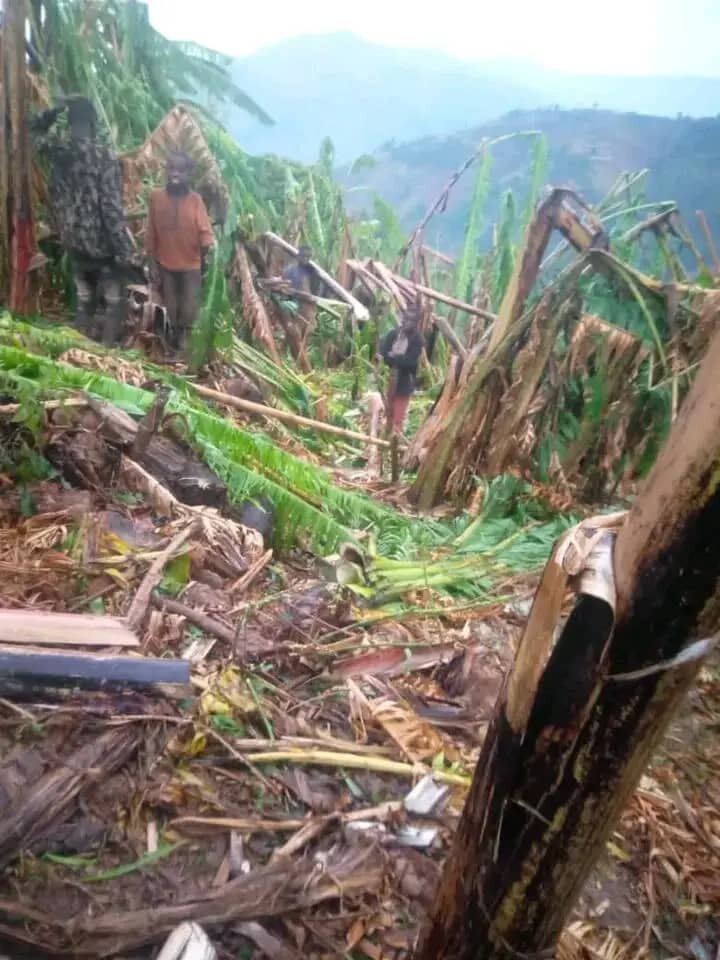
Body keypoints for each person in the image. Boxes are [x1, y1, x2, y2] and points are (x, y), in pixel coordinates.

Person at [32, 96, 134, 344]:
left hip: (73, 242)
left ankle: (77, 350)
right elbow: (110, 209)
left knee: (85, 298)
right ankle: (105, 355)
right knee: (114, 303)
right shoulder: (103, 157)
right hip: (102, 247)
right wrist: (125, 251)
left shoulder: (59, 150)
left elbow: (31, 133)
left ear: (71, 123)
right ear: (92, 124)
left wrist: (52, 111)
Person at [145, 152, 214, 352]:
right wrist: (151, 262)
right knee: (171, 305)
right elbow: (151, 231)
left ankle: (184, 342)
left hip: (191, 264)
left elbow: (205, 234)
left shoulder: (195, 200)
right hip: (165, 263)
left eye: (181, 170)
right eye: (172, 169)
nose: (175, 174)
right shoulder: (156, 198)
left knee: (190, 306)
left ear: (188, 174)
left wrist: (204, 262)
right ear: (166, 171)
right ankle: (171, 341)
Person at [380, 302, 424, 434]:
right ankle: (385, 436)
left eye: (411, 319)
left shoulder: (418, 339)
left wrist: (394, 358)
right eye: (406, 318)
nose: (407, 322)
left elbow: (411, 362)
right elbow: (383, 352)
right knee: (388, 411)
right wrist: (397, 359)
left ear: (416, 322)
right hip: (389, 377)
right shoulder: (393, 334)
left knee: (398, 417)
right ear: (403, 318)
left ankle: (394, 440)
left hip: (405, 380)